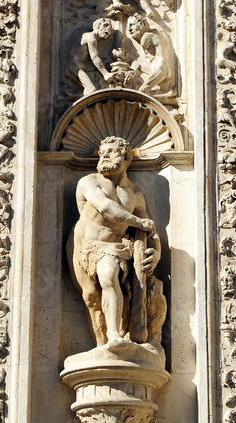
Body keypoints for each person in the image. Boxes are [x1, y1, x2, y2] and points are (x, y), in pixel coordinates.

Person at [67, 136, 164, 347]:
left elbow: (151, 229)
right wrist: (138, 221)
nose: (103, 156)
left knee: (109, 275)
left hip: (115, 248)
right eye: (102, 153)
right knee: (92, 298)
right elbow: (106, 208)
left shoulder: (135, 195)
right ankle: (102, 346)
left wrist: (155, 253)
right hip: (85, 246)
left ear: (126, 157)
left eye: (111, 152)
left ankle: (114, 336)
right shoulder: (89, 182)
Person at [73, 18, 117, 95]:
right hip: (75, 68)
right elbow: (94, 58)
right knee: (91, 89)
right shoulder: (91, 37)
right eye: (105, 26)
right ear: (97, 26)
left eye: (110, 29)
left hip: (84, 65)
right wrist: (105, 74)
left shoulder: (90, 37)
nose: (107, 30)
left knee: (104, 63)